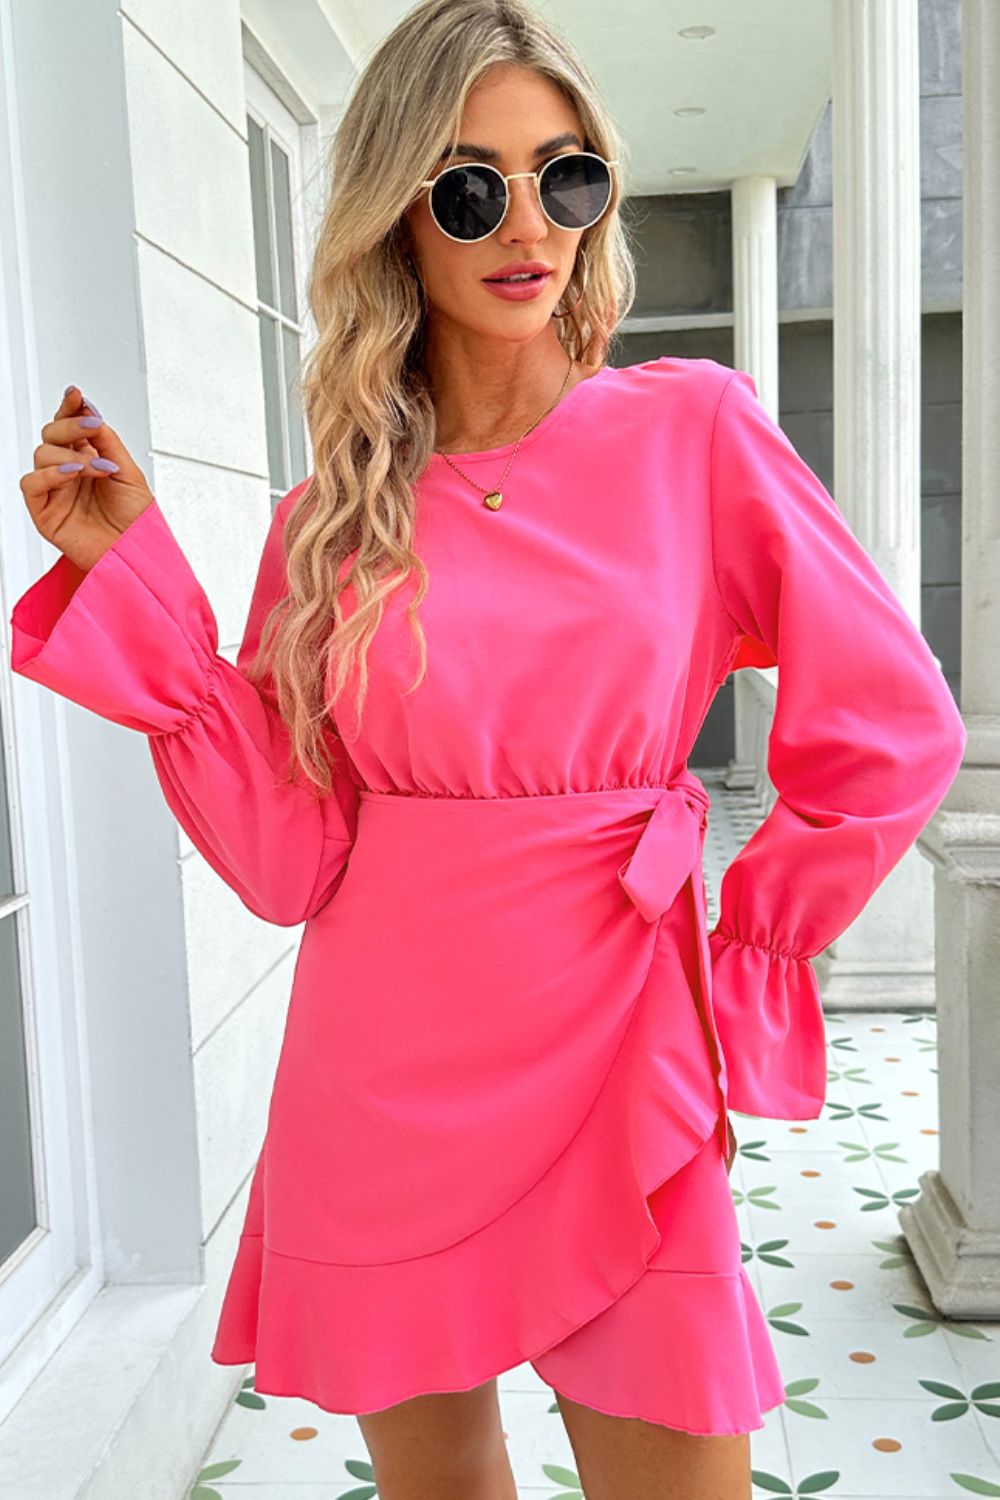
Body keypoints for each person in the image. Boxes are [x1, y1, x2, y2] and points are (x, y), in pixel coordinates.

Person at [9, 1, 966, 1496]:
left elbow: (892, 719)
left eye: (565, 175)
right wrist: (129, 578)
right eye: (470, 187)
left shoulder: (693, 433)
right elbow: (288, 860)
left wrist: (759, 938)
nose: (528, 224)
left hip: (623, 1033)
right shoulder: (329, 523)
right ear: (397, 216)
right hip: (386, 1065)